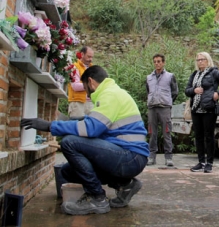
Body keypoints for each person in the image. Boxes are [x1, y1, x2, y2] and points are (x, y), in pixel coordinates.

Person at [21, 65, 149, 215]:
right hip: (127, 155)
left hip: (130, 157)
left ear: (90, 82)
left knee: (70, 142)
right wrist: (70, 121)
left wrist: (50, 126)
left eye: (84, 87)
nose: (85, 92)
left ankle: (96, 198)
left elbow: (91, 128)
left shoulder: (109, 95)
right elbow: (94, 124)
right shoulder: (112, 93)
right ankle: (125, 185)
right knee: (67, 171)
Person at [185, 52, 219, 173]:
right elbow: (187, 90)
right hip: (196, 109)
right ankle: (201, 162)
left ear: (208, 60)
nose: (200, 61)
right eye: (198, 60)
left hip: (209, 109)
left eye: (203, 59)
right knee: (198, 136)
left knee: (209, 136)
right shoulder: (195, 74)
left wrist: (218, 94)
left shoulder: (214, 72)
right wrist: (194, 90)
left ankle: (209, 163)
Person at [146, 53, 178, 167]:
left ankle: (168, 157)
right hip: (152, 108)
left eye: (159, 61)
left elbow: (175, 92)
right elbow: (148, 90)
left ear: (163, 62)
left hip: (165, 108)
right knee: (152, 133)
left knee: (167, 132)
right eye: (155, 61)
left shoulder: (170, 76)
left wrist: (167, 101)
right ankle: (151, 157)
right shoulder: (149, 77)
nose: (157, 63)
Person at [68, 46, 94, 118]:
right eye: (88, 57)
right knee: (76, 127)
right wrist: (91, 85)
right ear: (82, 54)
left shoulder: (93, 69)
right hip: (77, 102)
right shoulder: (74, 67)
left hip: (91, 103)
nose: (90, 59)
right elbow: (75, 86)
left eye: (92, 57)